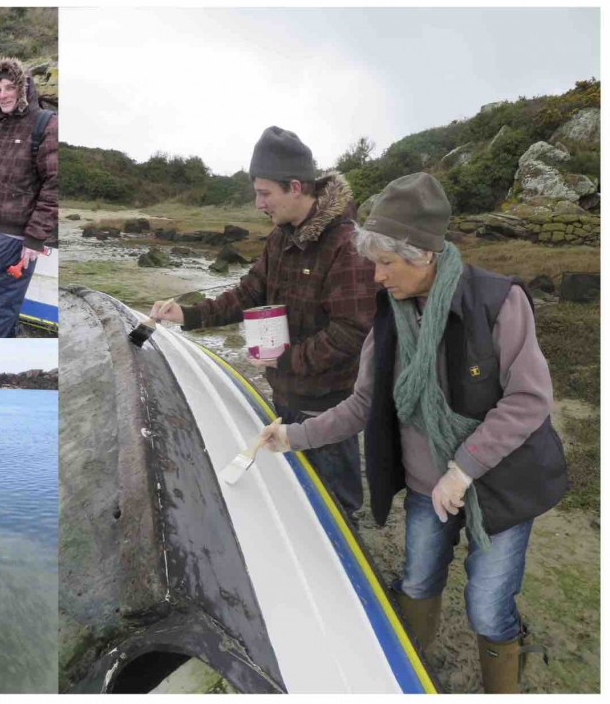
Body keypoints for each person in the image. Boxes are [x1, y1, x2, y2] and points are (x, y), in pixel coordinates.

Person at [259, 172, 566, 693]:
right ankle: (405, 677)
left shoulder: (497, 303)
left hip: (499, 484)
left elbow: (529, 400)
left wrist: (464, 469)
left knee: (488, 606)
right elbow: (361, 404)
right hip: (428, 487)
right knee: (419, 578)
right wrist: (293, 437)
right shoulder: (389, 319)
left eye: (385, 262)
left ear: (422, 254)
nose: (376, 277)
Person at [150, 126, 377, 520]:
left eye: (264, 193)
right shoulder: (280, 239)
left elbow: (354, 332)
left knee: (337, 505)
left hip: (328, 404)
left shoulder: (348, 246)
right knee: (299, 492)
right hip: (286, 391)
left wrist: (287, 359)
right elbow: (248, 294)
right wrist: (188, 314)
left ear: (294, 187)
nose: (258, 204)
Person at [0, 57, 57, 338]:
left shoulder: (46, 125)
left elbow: (54, 185)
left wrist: (34, 238)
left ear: (23, 88)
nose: (2, 95)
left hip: (15, 241)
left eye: (8, 87)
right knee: (0, 305)